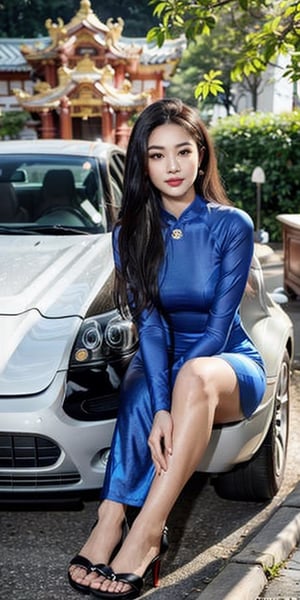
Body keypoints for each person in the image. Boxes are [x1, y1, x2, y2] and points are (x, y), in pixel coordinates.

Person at [68, 98, 266, 599]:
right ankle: (108, 522)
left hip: (224, 362)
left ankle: (147, 531)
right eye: (157, 155)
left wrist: (175, 392)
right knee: (141, 393)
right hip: (162, 355)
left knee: (193, 376)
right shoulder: (129, 232)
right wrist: (161, 407)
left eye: (182, 151)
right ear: (143, 163)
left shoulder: (231, 224)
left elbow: (219, 329)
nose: (172, 167)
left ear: (201, 154)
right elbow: (150, 327)